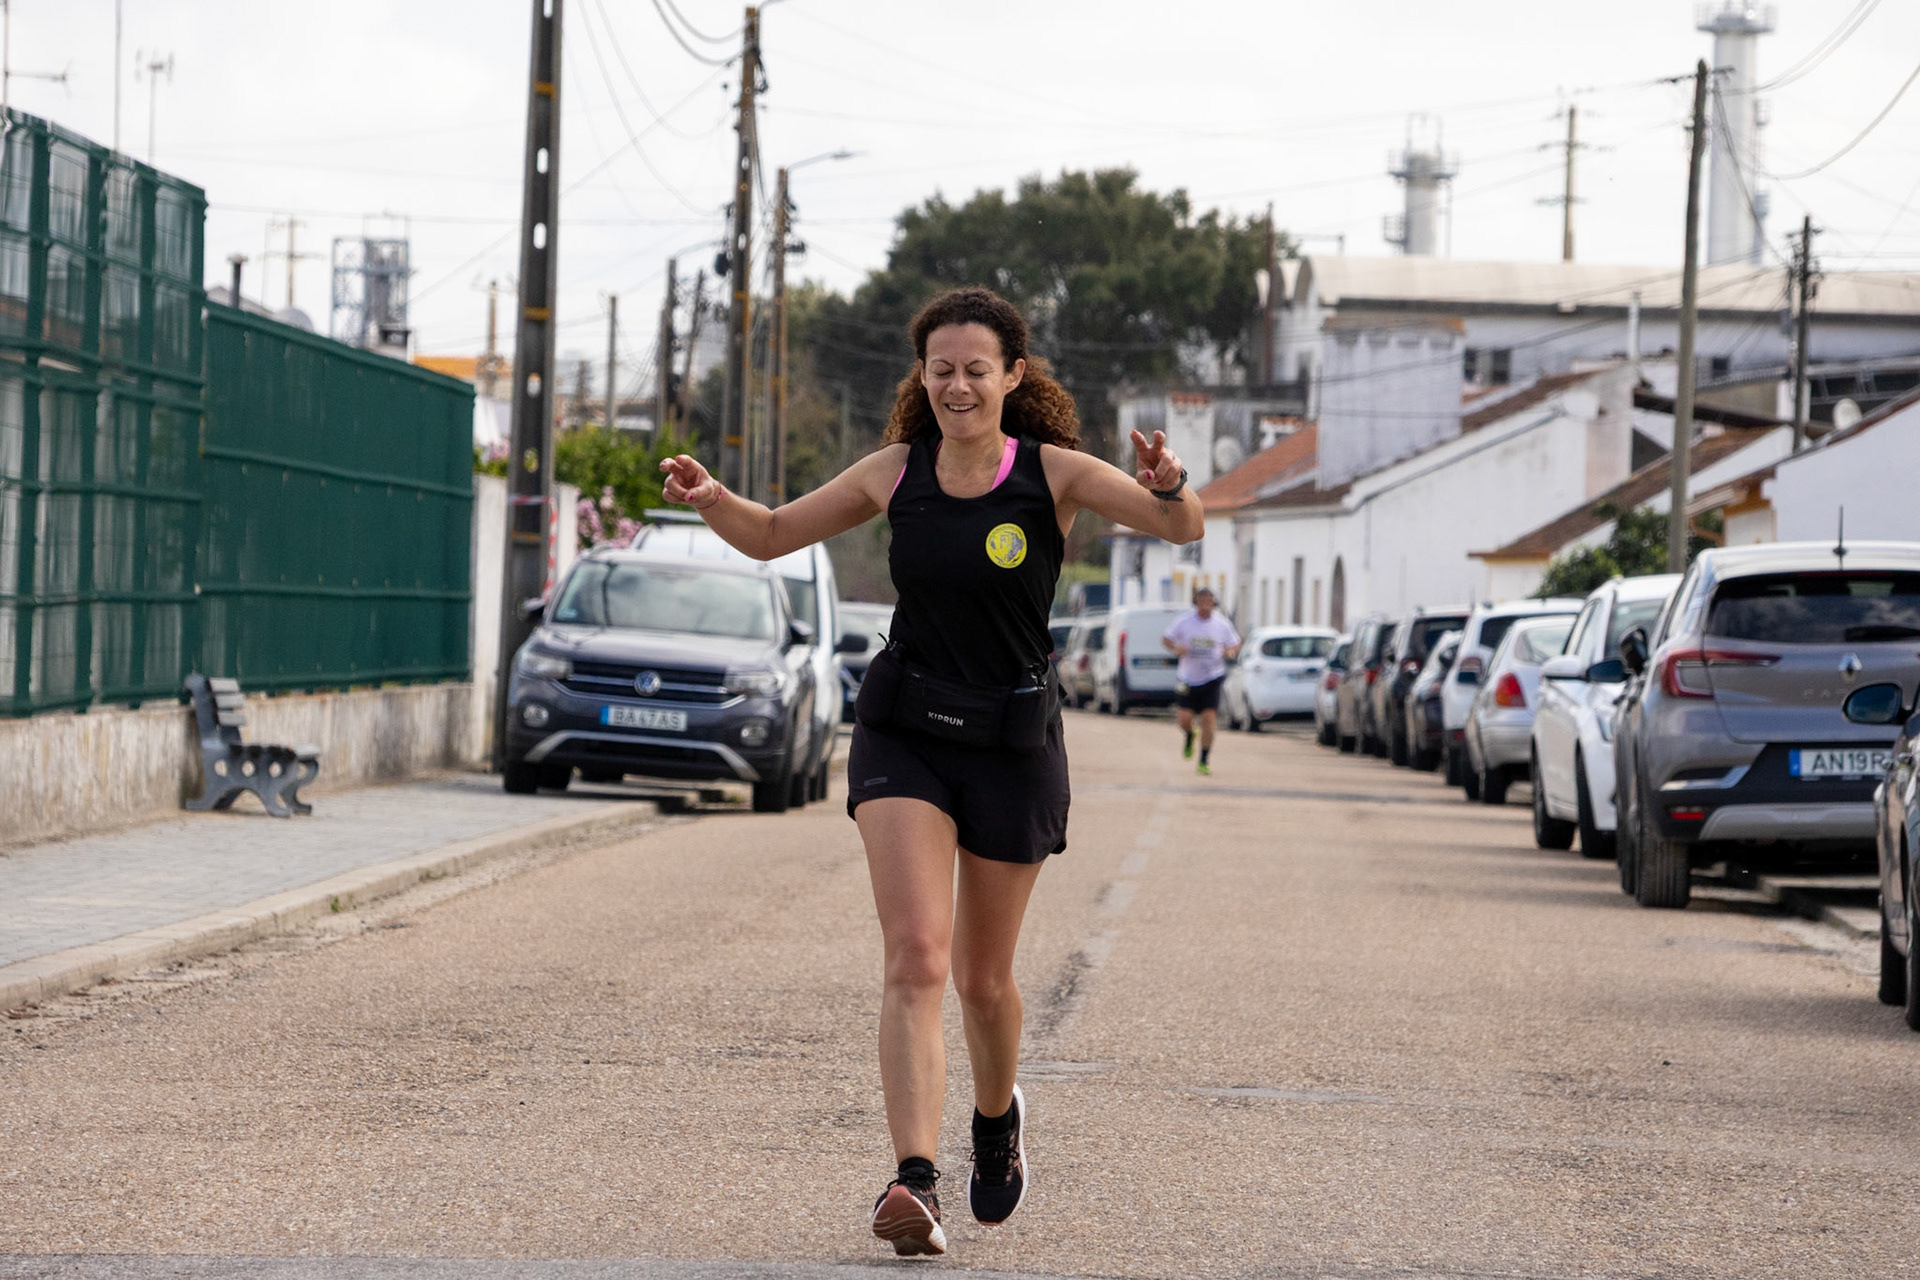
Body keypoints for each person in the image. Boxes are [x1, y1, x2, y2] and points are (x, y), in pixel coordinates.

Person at [658, 286, 1202, 1257]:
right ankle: (913, 1178)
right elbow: (774, 532)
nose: (957, 385)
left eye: (976, 369)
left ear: (1013, 376)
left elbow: (1182, 527)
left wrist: (1170, 485)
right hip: (906, 729)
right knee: (916, 954)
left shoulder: (1054, 474)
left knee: (984, 982)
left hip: (1011, 746)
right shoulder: (894, 471)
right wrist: (713, 501)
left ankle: (996, 1120)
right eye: (941, 369)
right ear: (922, 375)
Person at [1163, 586, 1241, 775]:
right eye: (1201, 602)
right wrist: (1176, 648)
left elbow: (1235, 643)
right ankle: (1190, 734)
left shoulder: (1221, 624)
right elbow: (1166, 639)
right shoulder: (1184, 622)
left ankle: (1204, 759)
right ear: (1195, 603)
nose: (1205, 606)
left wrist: (1230, 652)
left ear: (1214, 603)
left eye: (1209, 602)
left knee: (1208, 719)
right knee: (1184, 719)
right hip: (1187, 677)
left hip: (1212, 677)